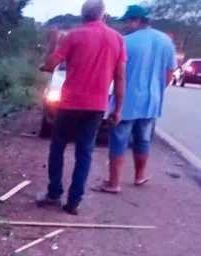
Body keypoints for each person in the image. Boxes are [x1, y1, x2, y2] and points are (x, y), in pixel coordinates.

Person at [36, 0, 127, 215]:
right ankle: (74, 202)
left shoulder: (74, 36)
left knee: (58, 145)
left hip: (70, 104)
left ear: (82, 16)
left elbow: (49, 66)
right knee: (85, 151)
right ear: (103, 16)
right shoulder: (117, 39)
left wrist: (52, 44)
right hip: (97, 106)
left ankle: (53, 193)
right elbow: (120, 77)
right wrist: (118, 109)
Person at [93, 5, 177, 193]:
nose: (126, 25)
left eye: (128, 21)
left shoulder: (125, 42)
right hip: (151, 101)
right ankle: (139, 176)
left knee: (119, 139)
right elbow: (170, 72)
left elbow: (114, 72)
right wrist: (158, 89)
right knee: (144, 139)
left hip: (126, 101)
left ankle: (113, 183)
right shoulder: (165, 41)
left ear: (137, 20)